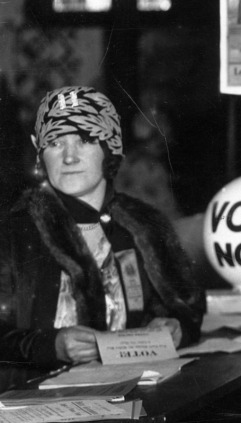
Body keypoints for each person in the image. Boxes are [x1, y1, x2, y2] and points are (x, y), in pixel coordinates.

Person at [0, 86, 205, 390]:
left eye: (85, 140)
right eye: (55, 143)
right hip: (34, 402)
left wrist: (177, 327)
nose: (69, 157)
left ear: (111, 145)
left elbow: (187, 306)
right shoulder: (12, 234)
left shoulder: (146, 226)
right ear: (38, 150)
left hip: (140, 394)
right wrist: (49, 345)